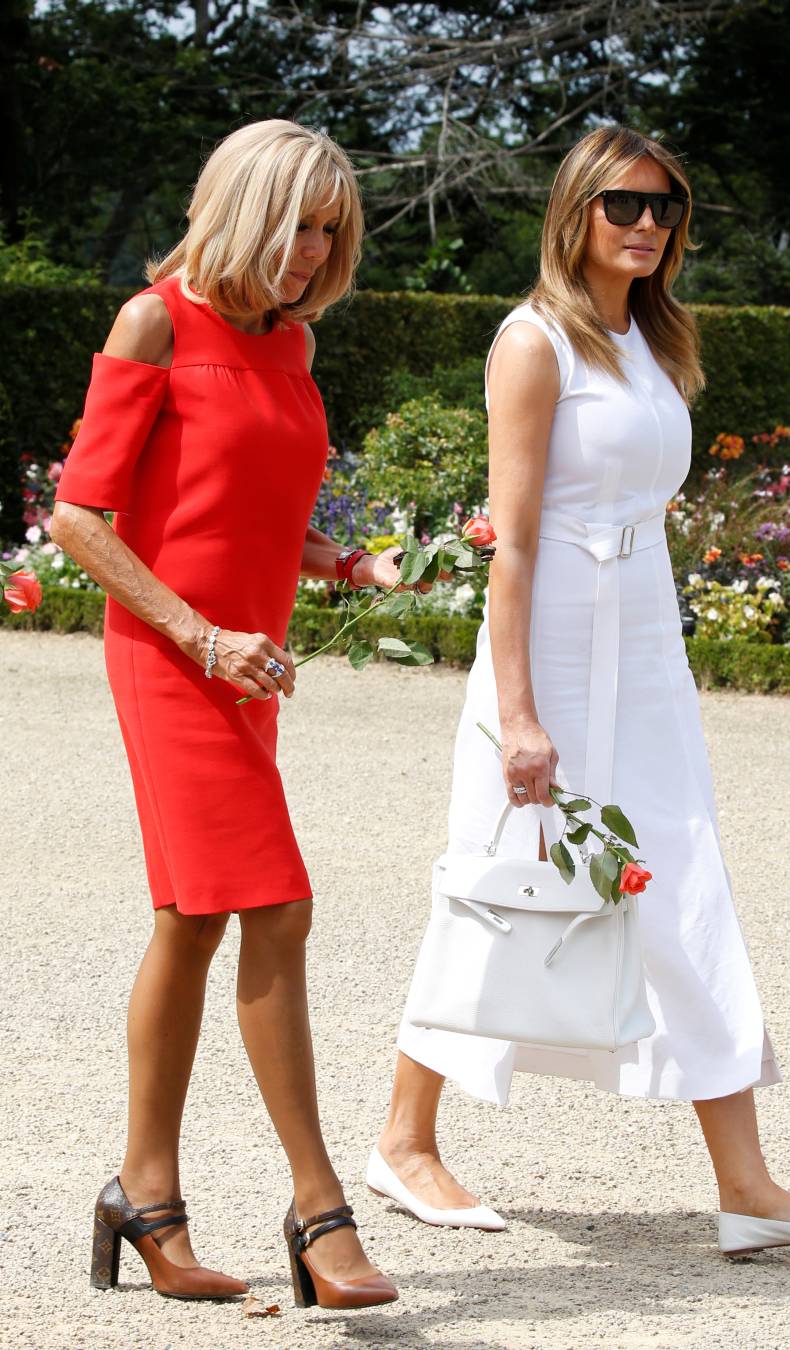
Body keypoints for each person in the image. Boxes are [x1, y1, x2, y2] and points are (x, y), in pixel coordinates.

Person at [368, 125, 790, 1256]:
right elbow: (512, 543)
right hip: (547, 645)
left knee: (683, 875)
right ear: (575, 213)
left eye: (664, 206)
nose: (647, 223)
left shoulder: (651, 341)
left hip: (643, 645)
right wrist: (517, 714)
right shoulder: (532, 341)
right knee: (507, 879)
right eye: (623, 204)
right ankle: (404, 1142)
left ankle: (745, 1185)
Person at [51, 119, 402, 1310]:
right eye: (296, 224)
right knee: (278, 906)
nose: (309, 252)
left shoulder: (291, 349)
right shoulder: (154, 321)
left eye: (328, 231)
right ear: (239, 207)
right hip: (171, 659)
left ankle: (144, 1196)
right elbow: (81, 519)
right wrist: (200, 635)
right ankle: (320, 1208)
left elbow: (239, 516)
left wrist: (342, 564)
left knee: (195, 922)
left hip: (247, 670)